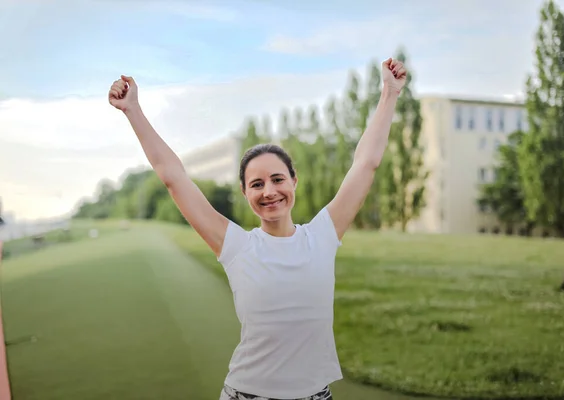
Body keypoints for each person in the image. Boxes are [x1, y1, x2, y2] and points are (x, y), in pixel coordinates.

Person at [108, 57, 407, 400]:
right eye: (257, 184)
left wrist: (390, 93)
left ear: (294, 181)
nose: (269, 191)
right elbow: (173, 177)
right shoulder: (236, 246)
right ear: (244, 192)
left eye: (278, 179)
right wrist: (132, 109)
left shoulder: (322, 236)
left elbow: (366, 164)